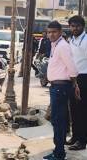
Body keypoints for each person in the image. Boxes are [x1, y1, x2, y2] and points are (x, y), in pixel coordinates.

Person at [43, 21, 80, 160]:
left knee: (58, 120)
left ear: (60, 32)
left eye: (54, 32)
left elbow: (72, 67)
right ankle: (58, 150)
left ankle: (59, 153)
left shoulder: (62, 46)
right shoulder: (55, 45)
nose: (51, 34)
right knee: (58, 120)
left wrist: (74, 84)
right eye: (49, 32)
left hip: (61, 88)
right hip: (57, 87)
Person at [67, 15, 87, 151]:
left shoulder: (86, 40)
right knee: (73, 109)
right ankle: (75, 137)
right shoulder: (70, 40)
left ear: (83, 26)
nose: (74, 28)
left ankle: (82, 141)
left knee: (82, 111)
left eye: (77, 26)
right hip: (72, 78)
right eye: (72, 26)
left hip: (84, 78)